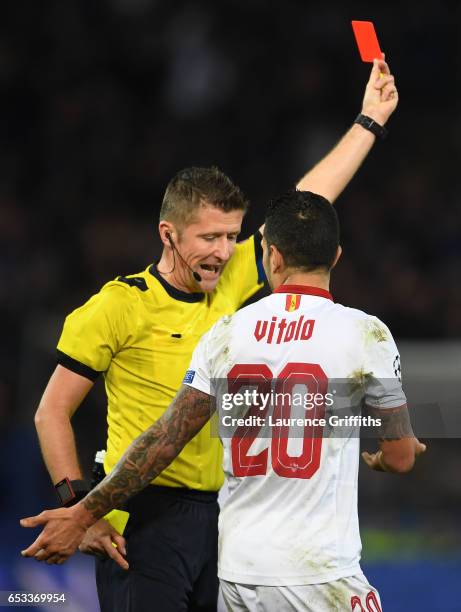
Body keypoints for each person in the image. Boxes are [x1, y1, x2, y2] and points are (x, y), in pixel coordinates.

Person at [28, 58, 398, 612]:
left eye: (231, 235)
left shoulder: (227, 289)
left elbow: (307, 204)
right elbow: (50, 411)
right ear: (168, 234)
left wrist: (369, 120)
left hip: (223, 518)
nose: (224, 252)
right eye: (209, 237)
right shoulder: (118, 305)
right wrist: (83, 508)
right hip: (142, 517)